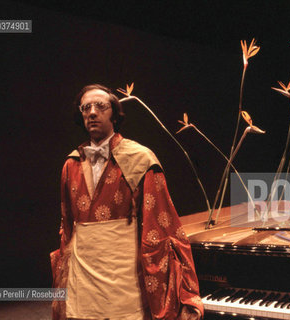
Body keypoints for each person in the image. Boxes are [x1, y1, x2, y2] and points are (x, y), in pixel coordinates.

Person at [50, 84, 203, 320]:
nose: (92, 112)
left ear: (114, 113)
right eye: (86, 107)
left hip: (124, 278)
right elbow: (67, 228)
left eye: (100, 106)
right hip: (83, 278)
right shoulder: (71, 165)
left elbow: (161, 223)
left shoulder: (140, 159)